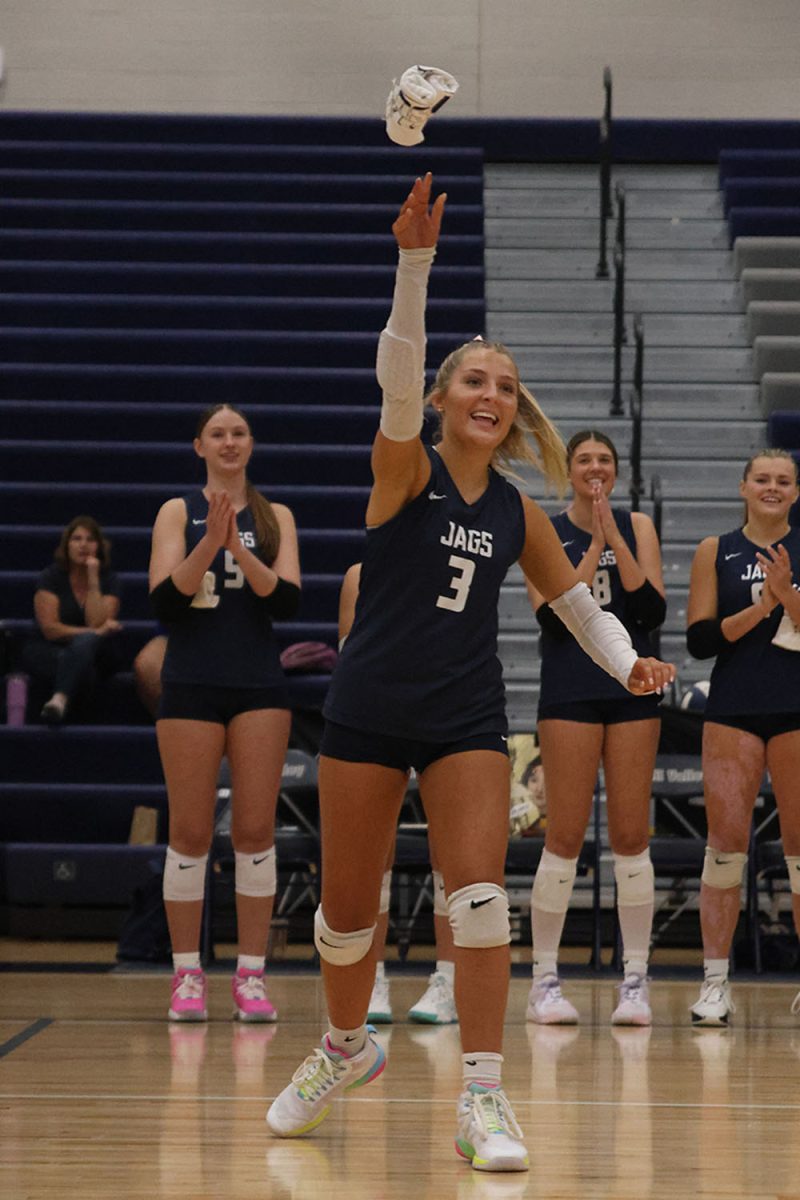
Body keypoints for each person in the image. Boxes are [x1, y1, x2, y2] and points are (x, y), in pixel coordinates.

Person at [265, 174, 674, 1172]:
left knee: (478, 899)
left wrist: (625, 663)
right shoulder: (403, 469)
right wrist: (415, 264)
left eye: (503, 383)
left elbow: (574, 605)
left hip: (463, 716)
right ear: (443, 401)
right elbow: (395, 377)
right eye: (472, 381)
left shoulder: (517, 512)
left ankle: (483, 1099)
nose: (489, 395)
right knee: (345, 912)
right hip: (365, 707)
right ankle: (340, 1049)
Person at [148, 402, 301, 1024]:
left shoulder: (275, 515)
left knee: (255, 833)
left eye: (238, 433)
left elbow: (287, 600)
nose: (229, 441)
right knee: (188, 833)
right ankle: (188, 975)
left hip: (258, 684)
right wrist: (208, 542)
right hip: (190, 682)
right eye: (218, 433)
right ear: (199, 446)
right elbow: (164, 602)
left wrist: (237, 547)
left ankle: (251, 976)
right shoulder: (176, 512)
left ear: (251, 444)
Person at [525, 431, 667, 1027]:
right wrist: (589, 544)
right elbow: (553, 613)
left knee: (632, 834)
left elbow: (651, 610)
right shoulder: (546, 531)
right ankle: (544, 980)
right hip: (569, 690)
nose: (595, 467)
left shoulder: (638, 527)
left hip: (633, 688)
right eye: (584, 459)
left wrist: (614, 535)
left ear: (617, 468)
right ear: (570, 469)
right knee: (564, 834)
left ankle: (635, 979)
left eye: (604, 459)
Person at [686, 448, 800, 1026]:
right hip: (733, 709)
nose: (772, 488)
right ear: (743, 487)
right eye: (763, 479)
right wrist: (764, 604)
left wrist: (791, 596)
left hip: (796, 711)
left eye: (783, 481)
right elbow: (701, 640)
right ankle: (714, 983)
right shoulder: (716, 550)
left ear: (796, 493)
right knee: (725, 846)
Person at [338, 562, 458, 1026]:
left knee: (449, 850)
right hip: (379, 713)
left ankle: (447, 980)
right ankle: (374, 976)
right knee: (374, 854)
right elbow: (352, 657)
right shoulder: (360, 576)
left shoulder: (449, 561)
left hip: (443, 710)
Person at [21, 515, 123, 723]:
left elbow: (96, 622)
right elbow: (51, 630)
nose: (83, 545)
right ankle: (62, 702)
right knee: (84, 671)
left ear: (99, 546)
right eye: (77, 539)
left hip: (97, 652)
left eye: (90, 539)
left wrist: (93, 579)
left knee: (88, 647)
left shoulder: (109, 580)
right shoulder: (50, 577)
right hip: (51, 648)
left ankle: (59, 699)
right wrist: (95, 633)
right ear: (66, 545)